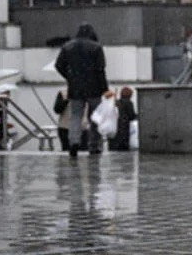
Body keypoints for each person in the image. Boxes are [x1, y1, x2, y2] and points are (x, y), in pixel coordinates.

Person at [55, 23, 108, 159]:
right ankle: (93, 145)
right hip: (94, 88)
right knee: (94, 117)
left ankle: (74, 143)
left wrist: (70, 77)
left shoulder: (68, 46)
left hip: (75, 87)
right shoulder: (96, 47)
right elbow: (100, 69)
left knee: (76, 116)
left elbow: (58, 65)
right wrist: (105, 89)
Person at [109, 86, 138, 151]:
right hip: (124, 125)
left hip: (116, 125)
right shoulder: (129, 103)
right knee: (123, 143)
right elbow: (131, 115)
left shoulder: (117, 102)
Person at [52, 86, 73, 152]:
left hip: (84, 129)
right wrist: (66, 100)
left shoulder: (90, 92)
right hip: (65, 128)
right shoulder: (63, 93)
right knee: (67, 153)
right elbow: (57, 110)